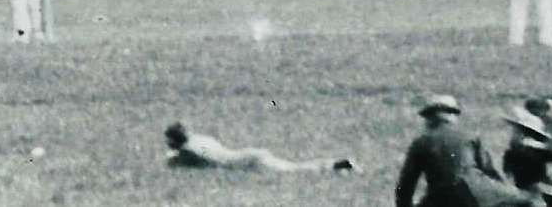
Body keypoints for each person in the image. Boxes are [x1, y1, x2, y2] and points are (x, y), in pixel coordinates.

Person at [395, 95, 510, 207]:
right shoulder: (471, 137)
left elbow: (406, 185)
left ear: (431, 117)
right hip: (474, 197)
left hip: (440, 199)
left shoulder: (421, 142)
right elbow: (490, 172)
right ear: (453, 115)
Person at [163, 121, 355, 174]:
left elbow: (177, 164)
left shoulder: (188, 151)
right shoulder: (201, 139)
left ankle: (338, 166)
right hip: (248, 155)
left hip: (248, 163)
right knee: (294, 167)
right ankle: (335, 165)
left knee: (295, 170)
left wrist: (173, 157)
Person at [501, 105, 552, 207]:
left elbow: (509, 172)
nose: (513, 134)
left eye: (516, 131)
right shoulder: (537, 154)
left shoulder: (516, 154)